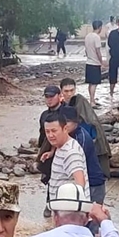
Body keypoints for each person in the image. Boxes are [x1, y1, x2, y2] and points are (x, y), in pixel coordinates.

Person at [61, 77, 111, 177]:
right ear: (61, 91)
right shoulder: (62, 105)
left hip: (87, 140)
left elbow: (90, 122)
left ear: (75, 89)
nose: (69, 94)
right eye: (66, 91)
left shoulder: (80, 102)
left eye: (72, 90)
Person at [41, 108, 90, 203]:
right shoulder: (60, 146)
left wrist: (74, 211)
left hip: (69, 212)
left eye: (54, 131)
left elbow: (80, 184)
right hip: (61, 208)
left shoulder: (71, 152)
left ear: (65, 129)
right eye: (47, 131)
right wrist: (51, 153)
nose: (50, 135)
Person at [62, 105, 107, 206]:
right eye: (63, 122)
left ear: (76, 122)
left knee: (92, 217)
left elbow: (76, 163)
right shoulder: (70, 136)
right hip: (85, 182)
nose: (65, 125)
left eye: (68, 121)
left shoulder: (81, 138)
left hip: (93, 184)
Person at [36, 85, 67, 217]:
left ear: (59, 96)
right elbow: (42, 136)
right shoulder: (44, 115)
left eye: (52, 96)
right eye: (47, 96)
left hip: (64, 149)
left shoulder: (66, 113)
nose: (49, 99)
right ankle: (50, 204)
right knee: (50, 178)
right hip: (48, 149)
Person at [83, 20, 104, 106]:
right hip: (95, 63)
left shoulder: (87, 36)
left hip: (88, 62)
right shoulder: (97, 37)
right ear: (99, 28)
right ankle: (92, 101)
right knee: (94, 84)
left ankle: (92, 99)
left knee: (90, 83)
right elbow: (98, 51)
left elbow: (86, 50)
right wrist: (101, 62)